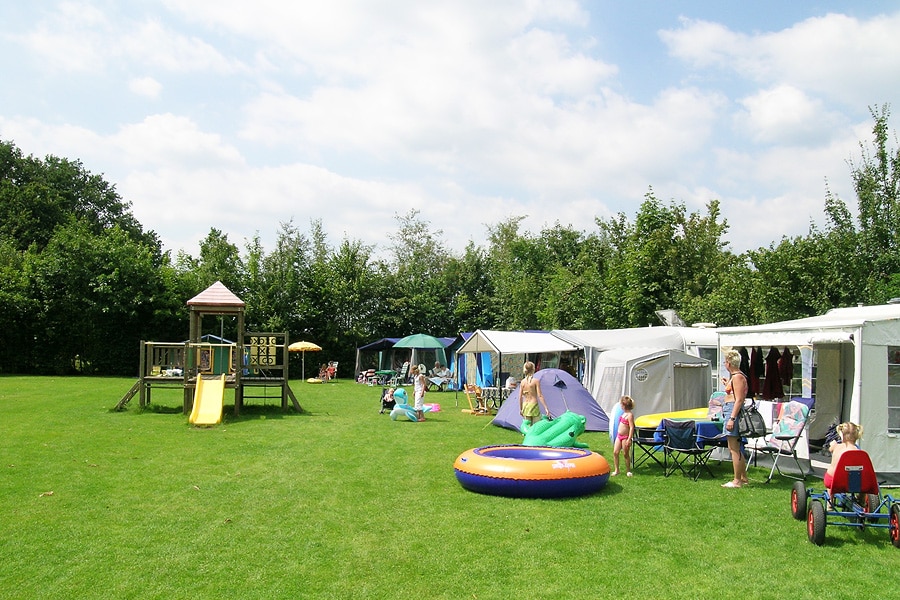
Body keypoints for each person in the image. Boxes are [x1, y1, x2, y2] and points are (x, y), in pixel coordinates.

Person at [721, 348, 749, 488]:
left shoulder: (737, 377)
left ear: (729, 363)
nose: (725, 364)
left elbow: (738, 400)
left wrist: (732, 418)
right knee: (736, 447)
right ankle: (743, 477)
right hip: (730, 410)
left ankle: (736, 480)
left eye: (726, 361)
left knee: (734, 448)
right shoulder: (736, 377)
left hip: (732, 411)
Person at [824, 422, 864, 489]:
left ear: (841, 435)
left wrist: (832, 443)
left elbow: (830, 449)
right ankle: (861, 498)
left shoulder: (836, 447)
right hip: (853, 482)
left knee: (831, 474)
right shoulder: (859, 452)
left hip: (833, 481)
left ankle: (830, 498)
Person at [519, 361, 550, 426]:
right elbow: (540, 395)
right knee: (536, 426)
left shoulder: (522, 382)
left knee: (527, 426)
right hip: (533, 405)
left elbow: (520, 397)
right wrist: (546, 408)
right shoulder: (536, 381)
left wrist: (521, 408)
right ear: (533, 369)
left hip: (525, 405)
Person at [612, 396, 635, 477]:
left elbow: (632, 427)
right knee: (615, 452)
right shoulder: (623, 414)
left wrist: (629, 439)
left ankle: (628, 470)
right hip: (619, 436)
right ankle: (616, 470)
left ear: (624, 405)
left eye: (621, 404)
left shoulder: (630, 415)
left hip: (625, 437)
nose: (620, 406)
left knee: (625, 454)